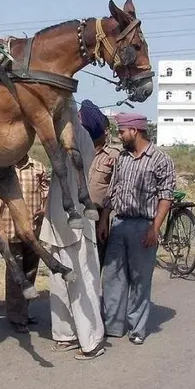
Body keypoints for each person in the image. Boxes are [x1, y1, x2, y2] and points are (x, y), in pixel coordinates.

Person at [97, 112, 176, 345]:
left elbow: (166, 197)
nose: (119, 136)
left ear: (135, 131)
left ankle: (137, 328)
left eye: (122, 131)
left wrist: (155, 228)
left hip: (144, 226)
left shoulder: (160, 159)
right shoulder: (122, 158)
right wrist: (104, 220)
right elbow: (113, 191)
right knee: (112, 277)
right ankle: (113, 325)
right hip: (120, 224)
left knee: (140, 279)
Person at [39, 107, 106, 360]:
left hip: (76, 221)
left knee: (83, 282)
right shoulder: (61, 134)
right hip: (59, 221)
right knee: (59, 283)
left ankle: (92, 341)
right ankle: (65, 334)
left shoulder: (77, 136)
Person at [0, 154, 50, 334]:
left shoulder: (38, 168)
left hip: (32, 232)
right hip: (9, 230)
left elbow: (46, 191)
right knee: (16, 276)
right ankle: (16, 317)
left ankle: (23, 312)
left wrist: (45, 208)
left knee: (30, 272)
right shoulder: (2, 167)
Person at [78, 99, 122, 266]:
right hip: (79, 214)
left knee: (97, 262)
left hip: (99, 217)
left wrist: (104, 219)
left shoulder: (114, 156)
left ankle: (97, 292)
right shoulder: (79, 152)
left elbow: (114, 191)